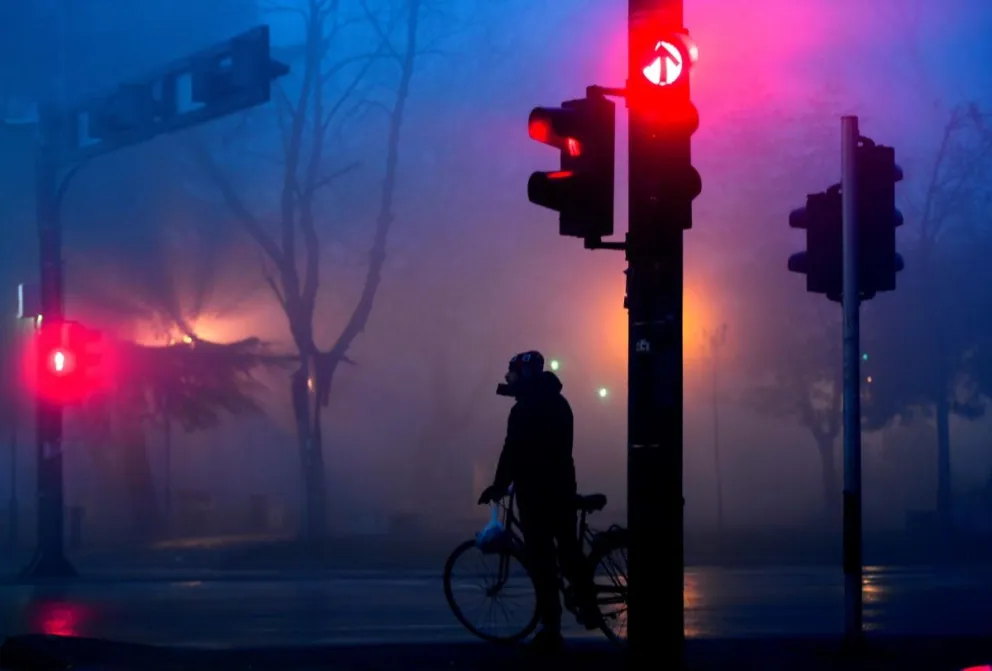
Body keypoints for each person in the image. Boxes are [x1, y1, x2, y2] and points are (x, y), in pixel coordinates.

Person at [478, 350, 597, 651]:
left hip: (536, 494)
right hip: (562, 488)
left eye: (514, 374)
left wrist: (497, 486)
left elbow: (513, 452)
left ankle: (551, 627)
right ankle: (588, 603)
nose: (510, 380)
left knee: (541, 561)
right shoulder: (558, 403)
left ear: (527, 375)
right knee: (568, 550)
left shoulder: (525, 410)